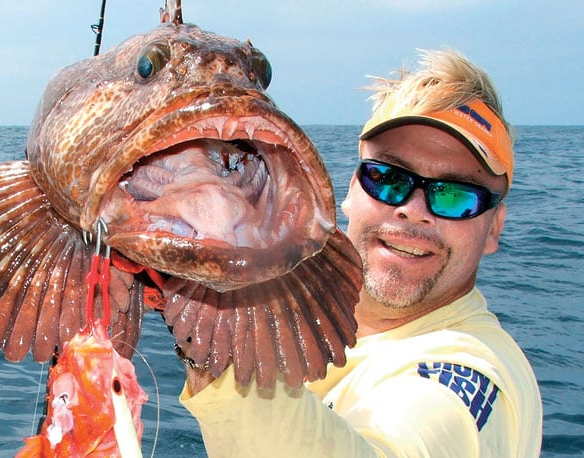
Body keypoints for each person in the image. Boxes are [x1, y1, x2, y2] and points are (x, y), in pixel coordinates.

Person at [178, 48, 542, 457]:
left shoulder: (475, 375)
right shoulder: (310, 320)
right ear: (352, 190)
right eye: (387, 178)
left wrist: (217, 318)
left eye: (455, 195)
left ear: (493, 227)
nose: (412, 210)